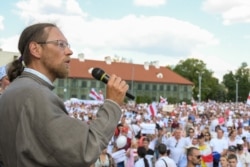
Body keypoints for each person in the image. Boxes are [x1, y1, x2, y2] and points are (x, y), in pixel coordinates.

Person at [0, 23, 129, 167]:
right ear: (36, 49)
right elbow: (85, 149)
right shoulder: (37, 95)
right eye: (60, 44)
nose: (69, 51)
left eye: (67, 45)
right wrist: (112, 103)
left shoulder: (14, 90)